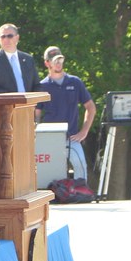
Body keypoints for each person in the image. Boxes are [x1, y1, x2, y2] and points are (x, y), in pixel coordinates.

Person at [34, 46, 96, 183]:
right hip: (49, 139)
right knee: (49, 172)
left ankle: (80, 192)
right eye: (54, 61)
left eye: (60, 60)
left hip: (72, 137)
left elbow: (91, 107)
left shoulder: (75, 82)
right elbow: (36, 114)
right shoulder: (42, 86)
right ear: (47, 63)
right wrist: (37, 136)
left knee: (80, 165)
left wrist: (84, 132)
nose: (58, 63)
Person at [0, 23, 41, 94]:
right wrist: (16, 98)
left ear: (17, 38)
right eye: (3, 37)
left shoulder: (28, 59)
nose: (6, 39)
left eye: (10, 36)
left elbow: (37, 85)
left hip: (29, 101)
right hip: (5, 101)